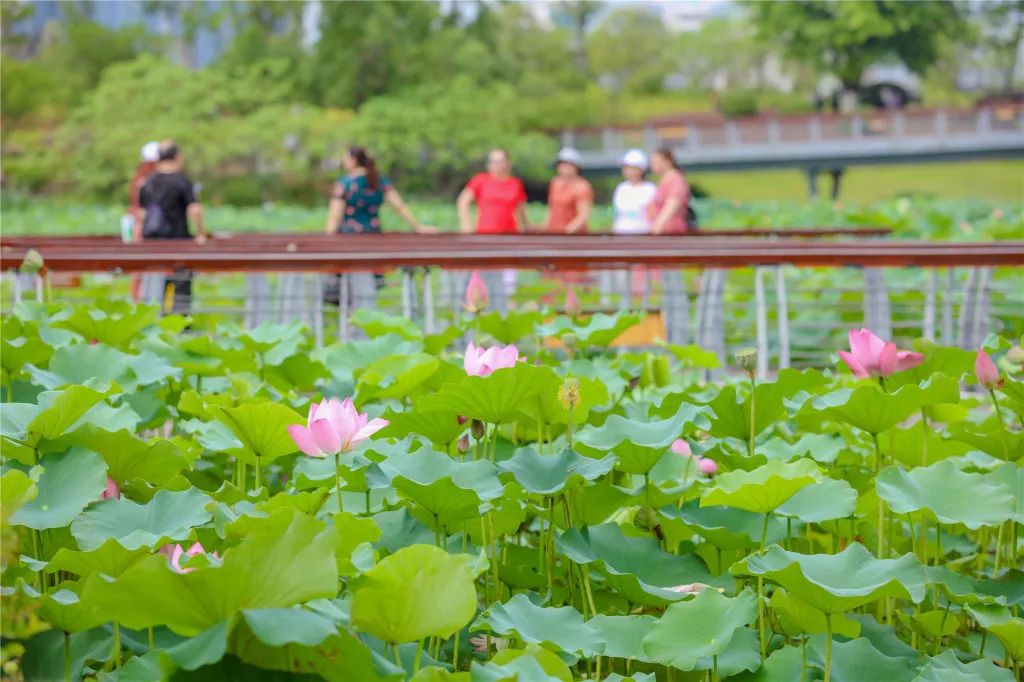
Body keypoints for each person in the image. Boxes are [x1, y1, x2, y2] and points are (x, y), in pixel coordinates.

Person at [135, 141, 208, 312]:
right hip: (178, 244)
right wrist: (201, 234)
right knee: (181, 287)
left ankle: (153, 325)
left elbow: (141, 214)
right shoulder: (182, 182)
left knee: (154, 287)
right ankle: (180, 328)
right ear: (177, 157)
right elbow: (195, 210)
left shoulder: (147, 183)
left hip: (152, 244)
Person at [456, 148, 528, 311]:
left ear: (508, 163)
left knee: (509, 284)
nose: (497, 165)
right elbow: (463, 201)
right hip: (484, 239)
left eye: (500, 161)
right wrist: (466, 225)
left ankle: (507, 321)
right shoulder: (480, 180)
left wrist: (526, 231)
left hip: (510, 239)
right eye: (493, 161)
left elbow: (521, 211)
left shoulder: (515, 183)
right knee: (483, 282)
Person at [324, 146, 435, 235]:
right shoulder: (379, 180)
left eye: (345, 159)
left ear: (354, 160)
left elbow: (335, 214)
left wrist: (329, 236)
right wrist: (416, 226)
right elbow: (399, 206)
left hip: (348, 236)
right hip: (373, 234)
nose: (343, 162)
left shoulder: (344, 183)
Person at [543, 147, 593, 234]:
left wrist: (567, 232)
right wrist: (545, 228)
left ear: (576, 166)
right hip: (554, 234)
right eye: (561, 164)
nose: (563, 167)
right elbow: (551, 209)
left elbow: (583, 216)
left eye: (567, 164)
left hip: (573, 237)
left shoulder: (582, 187)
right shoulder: (555, 183)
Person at [611, 149, 656, 234]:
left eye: (632, 168)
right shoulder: (621, 188)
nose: (629, 171)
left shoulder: (650, 188)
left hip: (642, 230)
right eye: (626, 168)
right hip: (621, 230)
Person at [649, 147, 692, 234]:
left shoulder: (675, 179)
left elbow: (672, 204)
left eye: (656, 162)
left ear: (668, 161)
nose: (652, 166)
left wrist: (658, 225)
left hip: (671, 231)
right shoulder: (664, 180)